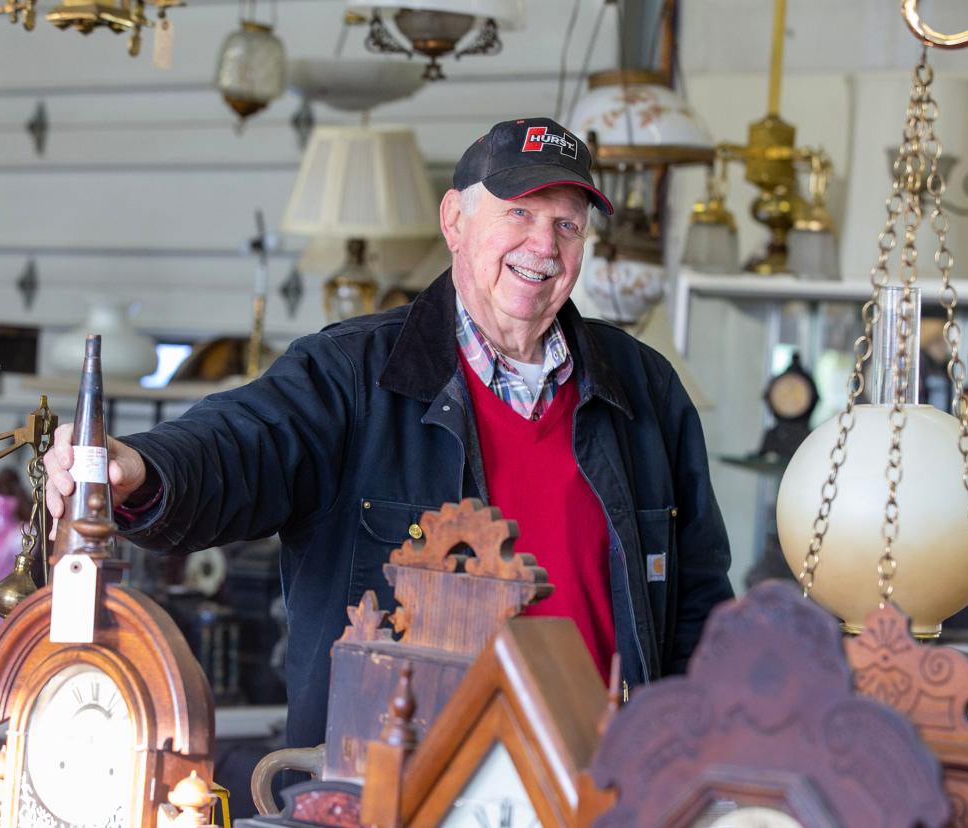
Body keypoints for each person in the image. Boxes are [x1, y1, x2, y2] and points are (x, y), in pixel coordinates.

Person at [44, 116, 734, 750]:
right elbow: (242, 442)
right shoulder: (351, 374)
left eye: (568, 225)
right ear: (455, 220)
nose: (543, 245)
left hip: (598, 789)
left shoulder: (645, 391)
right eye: (518, 213)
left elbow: (697, 601)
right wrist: (140, 465)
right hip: (399, 787)